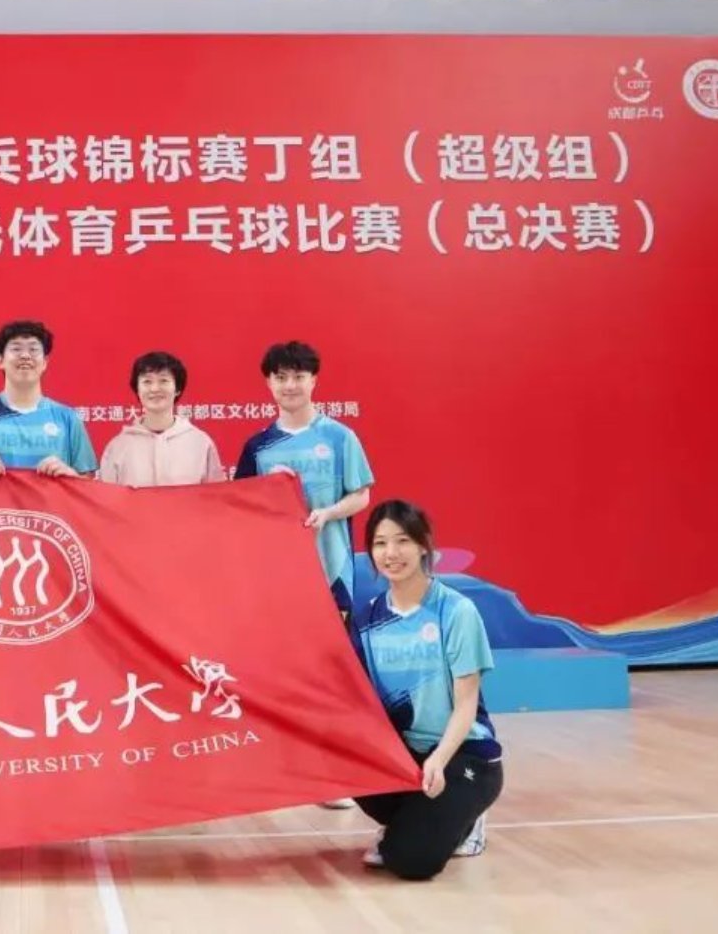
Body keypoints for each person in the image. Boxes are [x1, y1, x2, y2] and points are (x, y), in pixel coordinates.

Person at [354, 500, 503, 880]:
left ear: (423, 546)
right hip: (404, 756)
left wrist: (438, 759)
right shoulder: (366, 619)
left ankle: (466, 821)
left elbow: (467, 704)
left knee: (410, 863)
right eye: (380, 543)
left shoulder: (456, 611)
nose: (391, 553)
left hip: (462, 755)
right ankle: (412, 824)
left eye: (402, 540)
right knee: (344, 759)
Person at [235, 340, 373, 617]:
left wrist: (328, 513)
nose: (290, 386)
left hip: (332, 566)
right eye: (281, 377)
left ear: (313, 381)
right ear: (269, 383)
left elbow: (361, 495)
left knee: (332, 642)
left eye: (298, 377)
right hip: (276, 572)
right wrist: (267, 491)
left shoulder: (340, 437)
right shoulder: (257, 447)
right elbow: (241, 507)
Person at [0, 320, 96, 480]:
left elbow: (88, 482)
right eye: (16, 349)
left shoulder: (68, 418)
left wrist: (70, 474)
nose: (25, 356)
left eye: (33, 349)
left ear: (45, 362)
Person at [97, 350, 226, 487]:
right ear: (137, 390)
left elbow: (216, 495)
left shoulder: (200, 443)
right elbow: (106, 498)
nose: (154, 388)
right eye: (147, 381)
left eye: (163, 380)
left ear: (177, 389)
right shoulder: (118, 446)